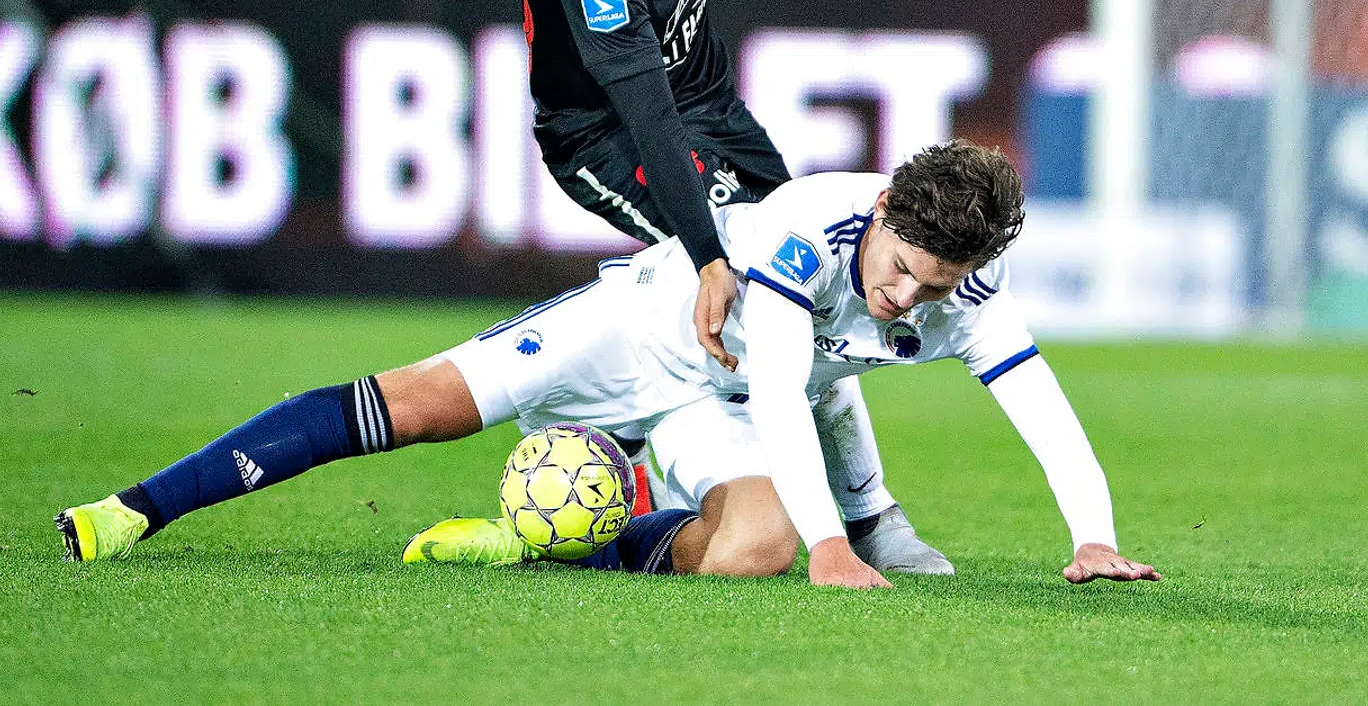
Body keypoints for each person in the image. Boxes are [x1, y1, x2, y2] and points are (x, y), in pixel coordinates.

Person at [57, 141, 1160, 590]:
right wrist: (843, 544)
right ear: (880, 211)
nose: (907, 299)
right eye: (904, 269)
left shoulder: (960, 282)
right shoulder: (808, 224)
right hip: (631, 332)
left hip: (707, 404)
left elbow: (1042, 408)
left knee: (752, 548)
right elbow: (785, 380)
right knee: (416, 406)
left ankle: (543, 544)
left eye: (936, 283)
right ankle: (136, 507)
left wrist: (1092, 533)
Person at [516, 0, 920, 573]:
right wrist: (705, 255)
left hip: (707, 101)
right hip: (608, 134)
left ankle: (860, 507)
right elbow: (642, 107)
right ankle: (825, 505)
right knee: (752, 288)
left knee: (818, 265)